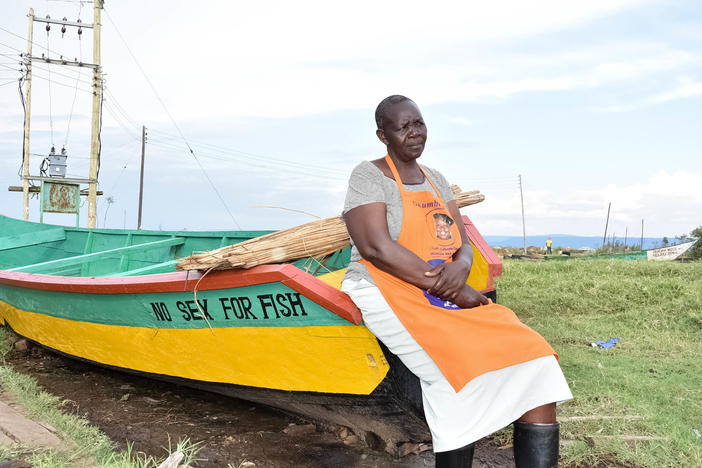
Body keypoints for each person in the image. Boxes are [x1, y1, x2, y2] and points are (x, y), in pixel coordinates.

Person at [341, 95, 572, 468]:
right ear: (383, 135)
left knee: (536, 357)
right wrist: (452, 289)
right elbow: (376, 247)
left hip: (441, 289)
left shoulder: (436, 180)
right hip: (386, 287)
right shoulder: (369, 176)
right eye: (403, 127)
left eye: (418, 123)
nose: (414, 132)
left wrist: (461, 268)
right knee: (455, 373)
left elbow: (462, 244)